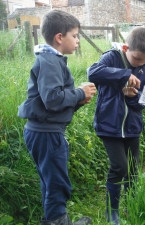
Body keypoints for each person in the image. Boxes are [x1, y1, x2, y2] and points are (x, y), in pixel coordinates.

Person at [17, 10, 96, 225]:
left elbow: (51, 105)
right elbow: (52, 99)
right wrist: (79, 92)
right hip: (47, 135)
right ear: (60, 37)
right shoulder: (50, 61)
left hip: (44, 131)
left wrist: (78, 101)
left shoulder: (52, 60)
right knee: (57, 184)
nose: (78, 40)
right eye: (75, 35)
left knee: (51, 182)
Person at [87, 26, 145, 225]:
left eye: (144, 61)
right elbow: (93, 72)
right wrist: (124, 75)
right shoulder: (111, 58)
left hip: (133, 127)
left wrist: (132, 98)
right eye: (136, 59)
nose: (140, 64)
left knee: (134, 168)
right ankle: (112, 212)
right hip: (109, 125)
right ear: (126, 47)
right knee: (119, 167)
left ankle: (132, 204)